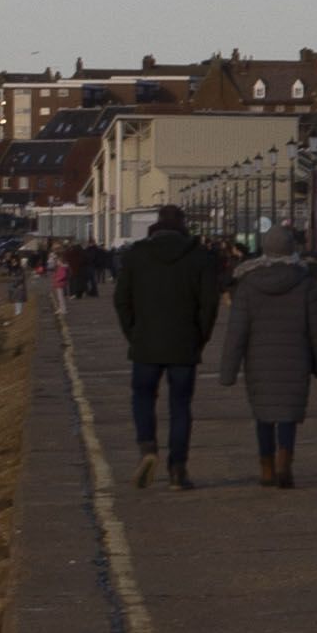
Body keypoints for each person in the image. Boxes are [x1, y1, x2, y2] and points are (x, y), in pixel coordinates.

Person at [109, 200, 227, 488]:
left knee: (142, 397)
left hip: (146, 344)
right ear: (183, 225)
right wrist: (201, 336)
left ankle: (148, 448)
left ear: (157, 224)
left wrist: (133, 332)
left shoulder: (137, 255)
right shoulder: (199, 257)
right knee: (181, 406)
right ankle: (177, 469)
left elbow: (121, 299)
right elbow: (209, 304)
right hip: (184, 344)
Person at [213, 236, 317, 490]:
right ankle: (284, 462)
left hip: (259, 360)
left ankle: (266, 468)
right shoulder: (306, 283)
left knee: (264, 414)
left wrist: (228, 372)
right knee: (288, 413)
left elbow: (237, 331)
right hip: (295, 358)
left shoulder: (248, 283)